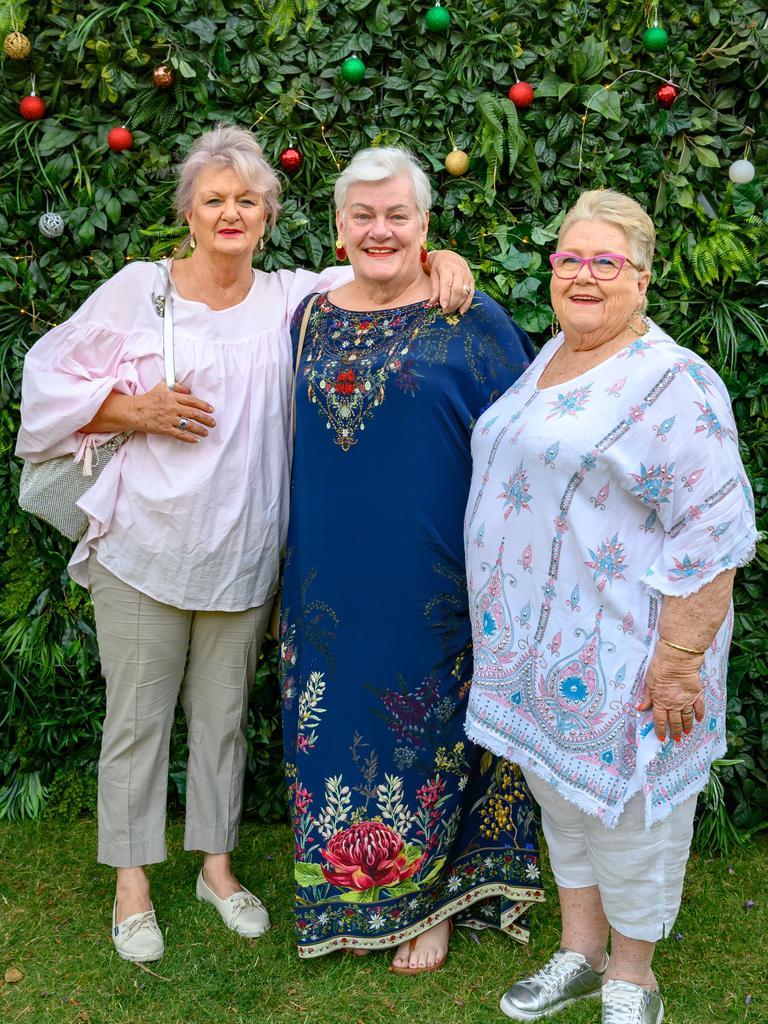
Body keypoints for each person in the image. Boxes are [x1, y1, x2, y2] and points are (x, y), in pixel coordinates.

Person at [15, 125, 473, 964]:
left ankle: (216, 869)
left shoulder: (296, 298)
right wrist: (130, 410)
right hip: (145, 546)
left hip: (243, 553)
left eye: (248, 200)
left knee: (222, 720)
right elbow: (45, 379)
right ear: (188, 213)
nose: (232, 212)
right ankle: (133, 884)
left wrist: (445, 261)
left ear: (268, 216)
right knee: (137, 720)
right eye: (215, 199)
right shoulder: (139, 291)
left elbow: (385, 263)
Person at [464, 189, 758, 1022]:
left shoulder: (674, 382)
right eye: (570, 259)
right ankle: (580, 952)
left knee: (631, 820)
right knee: (563, 800)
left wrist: (679, 662)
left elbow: (716, 529)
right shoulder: (554, 353)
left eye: (607, 262)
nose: (584, 276)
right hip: (538, 648)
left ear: (643, 278)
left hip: (629, 653)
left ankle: (635, 977)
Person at [279, 146, 542, 974]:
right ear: (338, 226)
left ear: (426, 225)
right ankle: (340, 890)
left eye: (398, 214)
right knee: (329, 723)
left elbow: (529, 444)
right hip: (324, 573)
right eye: (363, 215)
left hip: (434, 573)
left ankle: (429, 902)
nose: (380, 229)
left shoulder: (476, 318)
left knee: (424, 725)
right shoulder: (310, 316)